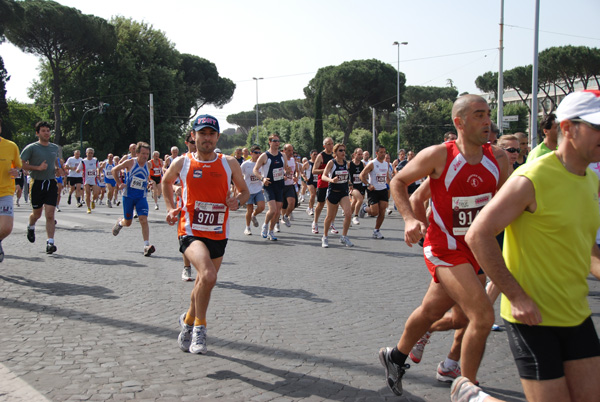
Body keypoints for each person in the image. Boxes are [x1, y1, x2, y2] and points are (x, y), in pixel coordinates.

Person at [465, 90, 600, 402]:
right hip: (532, 318)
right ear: (568, 128)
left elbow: (586, 247)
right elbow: (478, 235)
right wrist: (516, 295)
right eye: (596, 127)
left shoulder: (590, 181)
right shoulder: (532, 177)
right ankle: (475, 398)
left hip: (577, 314)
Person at [378, 95, 508, 396]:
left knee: (440, 312)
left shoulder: (498, 158)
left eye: (488, 114)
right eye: (479, 115)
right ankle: (467, 387)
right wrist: (411, 220)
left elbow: (508, 200)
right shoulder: (439, 155)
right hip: (445, 248)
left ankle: (395, 356)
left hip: (477, 249)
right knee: (484, 315)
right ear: (459, 122)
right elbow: (399, 182)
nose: (487, 121)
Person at [162, 114, 249, 355]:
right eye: (202, 134)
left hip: (218, 231)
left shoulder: (229, 163)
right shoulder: (183, 162)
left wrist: (237, 201)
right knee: (208, 275)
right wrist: (171, 208)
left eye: (211, 134)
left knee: (204, 282)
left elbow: (244, 192)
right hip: (190, 229)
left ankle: (188, 320)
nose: (207, 138)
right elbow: (166, 182)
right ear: (194, 136)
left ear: (217, 137)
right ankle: (200, 327)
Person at [20, 121, 64, 254]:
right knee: (37, 214)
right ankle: (31, 226)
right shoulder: (31, 148)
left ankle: (50, 242)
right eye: (43, 130)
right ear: (37, 133)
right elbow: (21, 164)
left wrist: (58, 169)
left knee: (50, 214)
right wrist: (37, 168)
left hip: (51, 182)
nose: (46, 133)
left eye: (48, 130)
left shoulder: (54, 148)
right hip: (37, 183)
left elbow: (56, 162)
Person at [111, 142, 155, 257]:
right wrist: (119, 183)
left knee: (143, 219)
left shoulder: (148, 165)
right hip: (128, 196)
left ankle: (146, 245)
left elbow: (145, 177)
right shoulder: (130, 162)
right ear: (137, 153)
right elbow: (114, 170)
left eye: (147, 154)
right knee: (128, 222)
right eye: (143, 153)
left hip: (141, 197)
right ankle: (120, 223)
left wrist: (149, 183)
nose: (145, 156)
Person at [253, 133, 288, 241]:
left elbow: (285, 168)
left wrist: (286, 174)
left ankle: (271, 231)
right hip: (269, 185)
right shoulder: (265, 156)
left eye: (278, 141)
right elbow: (255, 170)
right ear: (269, 142)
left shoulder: (283, 155)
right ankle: (265, 225)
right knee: (272, 210)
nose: (277, 143)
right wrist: (262, 178)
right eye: (274, 141)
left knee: (277, 211)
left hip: (280, 185)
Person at [320, 143, 354, 248]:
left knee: (348, 214)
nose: (343, 152)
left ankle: (344, 236)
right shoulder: (332, 163)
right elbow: (323, 176)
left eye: (344, 150)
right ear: (335, 152)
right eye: (340, 150)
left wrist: (350, 184)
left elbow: (346, 176)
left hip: (343, 192)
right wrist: (331, 180)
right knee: (330, 216)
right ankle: (325, 236)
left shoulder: (346, 163)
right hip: (333, 192)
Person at [359, 145, 392, 239]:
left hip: (383, 189)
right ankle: (365, 208)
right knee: (374, 212)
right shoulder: (372, 163)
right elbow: (362, 175)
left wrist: (390, 187)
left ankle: (376, 230)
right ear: (376, 153)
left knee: (382, 211)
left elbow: (387, 178)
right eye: (381, 152)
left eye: (384, 152)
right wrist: (368, 184)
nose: (383, 154)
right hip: (373, 190)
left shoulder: (386, 164)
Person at [0, 118, 22, 261]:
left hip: (5, 192)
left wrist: (16, 172)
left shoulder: (11, 146)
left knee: (6, 228)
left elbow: (18, 166)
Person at [311, 137, 337, 235]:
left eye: (332, 143)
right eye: (328, 144)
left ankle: (332, 224)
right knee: (320, 204)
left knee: (334, 205)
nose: (331, 146)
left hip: (333, 183)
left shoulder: (335, 155)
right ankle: (315, 222)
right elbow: (314, 170)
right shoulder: (321, 156)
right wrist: (326, 170)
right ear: (324, 145)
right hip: (322, 183)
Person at [240, 145, 265, 235]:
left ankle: (254, 216)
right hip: (248, 190)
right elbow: (239, 175)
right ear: (251, 154)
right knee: (249, 209)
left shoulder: (262, 164)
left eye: (259, 153)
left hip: (258, 189)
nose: (258, 155)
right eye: (256, 153)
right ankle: (247, 228)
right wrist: (240, 188)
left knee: (262, 207)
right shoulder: (246, 164)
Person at [280, 143, 299, 229]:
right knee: (281, 206)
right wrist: (282, 176)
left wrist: (295, 176)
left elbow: (296, 171)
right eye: (289, 150)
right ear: (284, 151)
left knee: (292, 203)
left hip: (290, 184)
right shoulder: (281, 160)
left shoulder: (293, 160)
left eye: (292, 150)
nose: (291, 152)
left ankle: (285, 216)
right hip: (281, 185)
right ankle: (277, 223)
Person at [77, 148, 99, 214]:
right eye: (89, 153)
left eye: (91, 153)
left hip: (94, 179)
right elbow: (78, 169)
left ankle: (92, 201)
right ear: (86, 153)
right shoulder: (83, 161)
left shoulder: (95, 160)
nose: (90, 154)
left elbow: (98, 168)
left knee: (96, 193)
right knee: (87, 193)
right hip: (86, 179)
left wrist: (98, 173)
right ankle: (88, 208)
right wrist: (78, 170)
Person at [348, 148, 366, 226]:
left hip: (360, 185)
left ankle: (348, 218)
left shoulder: (362, 164)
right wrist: (349, 183)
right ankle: (355, 216)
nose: (360, 156)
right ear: (354, 154)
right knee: (360, 199)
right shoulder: (350, 164)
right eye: (358, 154)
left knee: (354, 202)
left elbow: (366, 173)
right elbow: (346, 174)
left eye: (361, 154)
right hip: (353, 186)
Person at [303, 150, 318, 216]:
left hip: (316, 180)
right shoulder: (307, 163)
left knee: (314, 195)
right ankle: (310, 208)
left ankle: (310, 207)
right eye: (314, 154)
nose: (315, 156)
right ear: (311, 155)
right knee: (312, 194)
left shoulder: (318, 163)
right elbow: (301, 170)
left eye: (316, 154)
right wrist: (304, 177)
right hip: (309, 181)